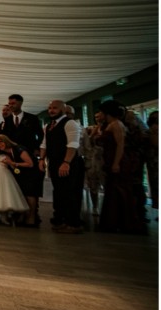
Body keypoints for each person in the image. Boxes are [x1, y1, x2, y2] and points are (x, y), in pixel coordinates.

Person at [96, 100, 146, 234]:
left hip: (119, 161)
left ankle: (125, 222)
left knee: (120, 191)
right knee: (113, 191)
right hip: (111, 159)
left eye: (101, 112)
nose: (100, 114)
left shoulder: (116, 124)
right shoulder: (112, 124)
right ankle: (115, 221)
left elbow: (120, 145)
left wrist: (116, 163)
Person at [39, 100, 85, 233]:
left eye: (55, 108)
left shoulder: (70, 123)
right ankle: (61, 219)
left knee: (70, 192)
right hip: (54, 163)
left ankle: (73, 223)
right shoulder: (49, 125)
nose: (51, 110)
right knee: (58, 192)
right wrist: (41, 159)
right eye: (50, 108)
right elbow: (44, 144)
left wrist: (66, 163)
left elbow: (73, 145)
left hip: (67, 163)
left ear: (63, 110)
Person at [0, 134, 38, 226]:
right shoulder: (7, 153)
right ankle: (25, 216)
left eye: (0, 142)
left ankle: (32, 218)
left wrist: (13, 163)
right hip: (21, 174)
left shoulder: (19, 149)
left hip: (31, 174)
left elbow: (30, 164)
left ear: (5, 141)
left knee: (30, 195)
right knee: (23, 195)